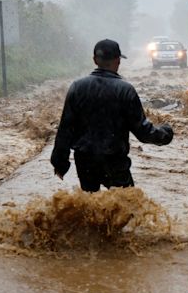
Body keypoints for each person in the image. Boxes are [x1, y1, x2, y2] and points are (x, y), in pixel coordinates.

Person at [50, 39, 173, 192]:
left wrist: (60, 163)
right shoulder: (125, 90)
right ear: (118, 61)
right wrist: (165, 134)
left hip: (85, 161)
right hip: (115, 161)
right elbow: (142, 131)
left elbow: (65, 129)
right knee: (125, 207)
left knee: (90, 206)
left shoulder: (77, 87)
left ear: (95, 60)